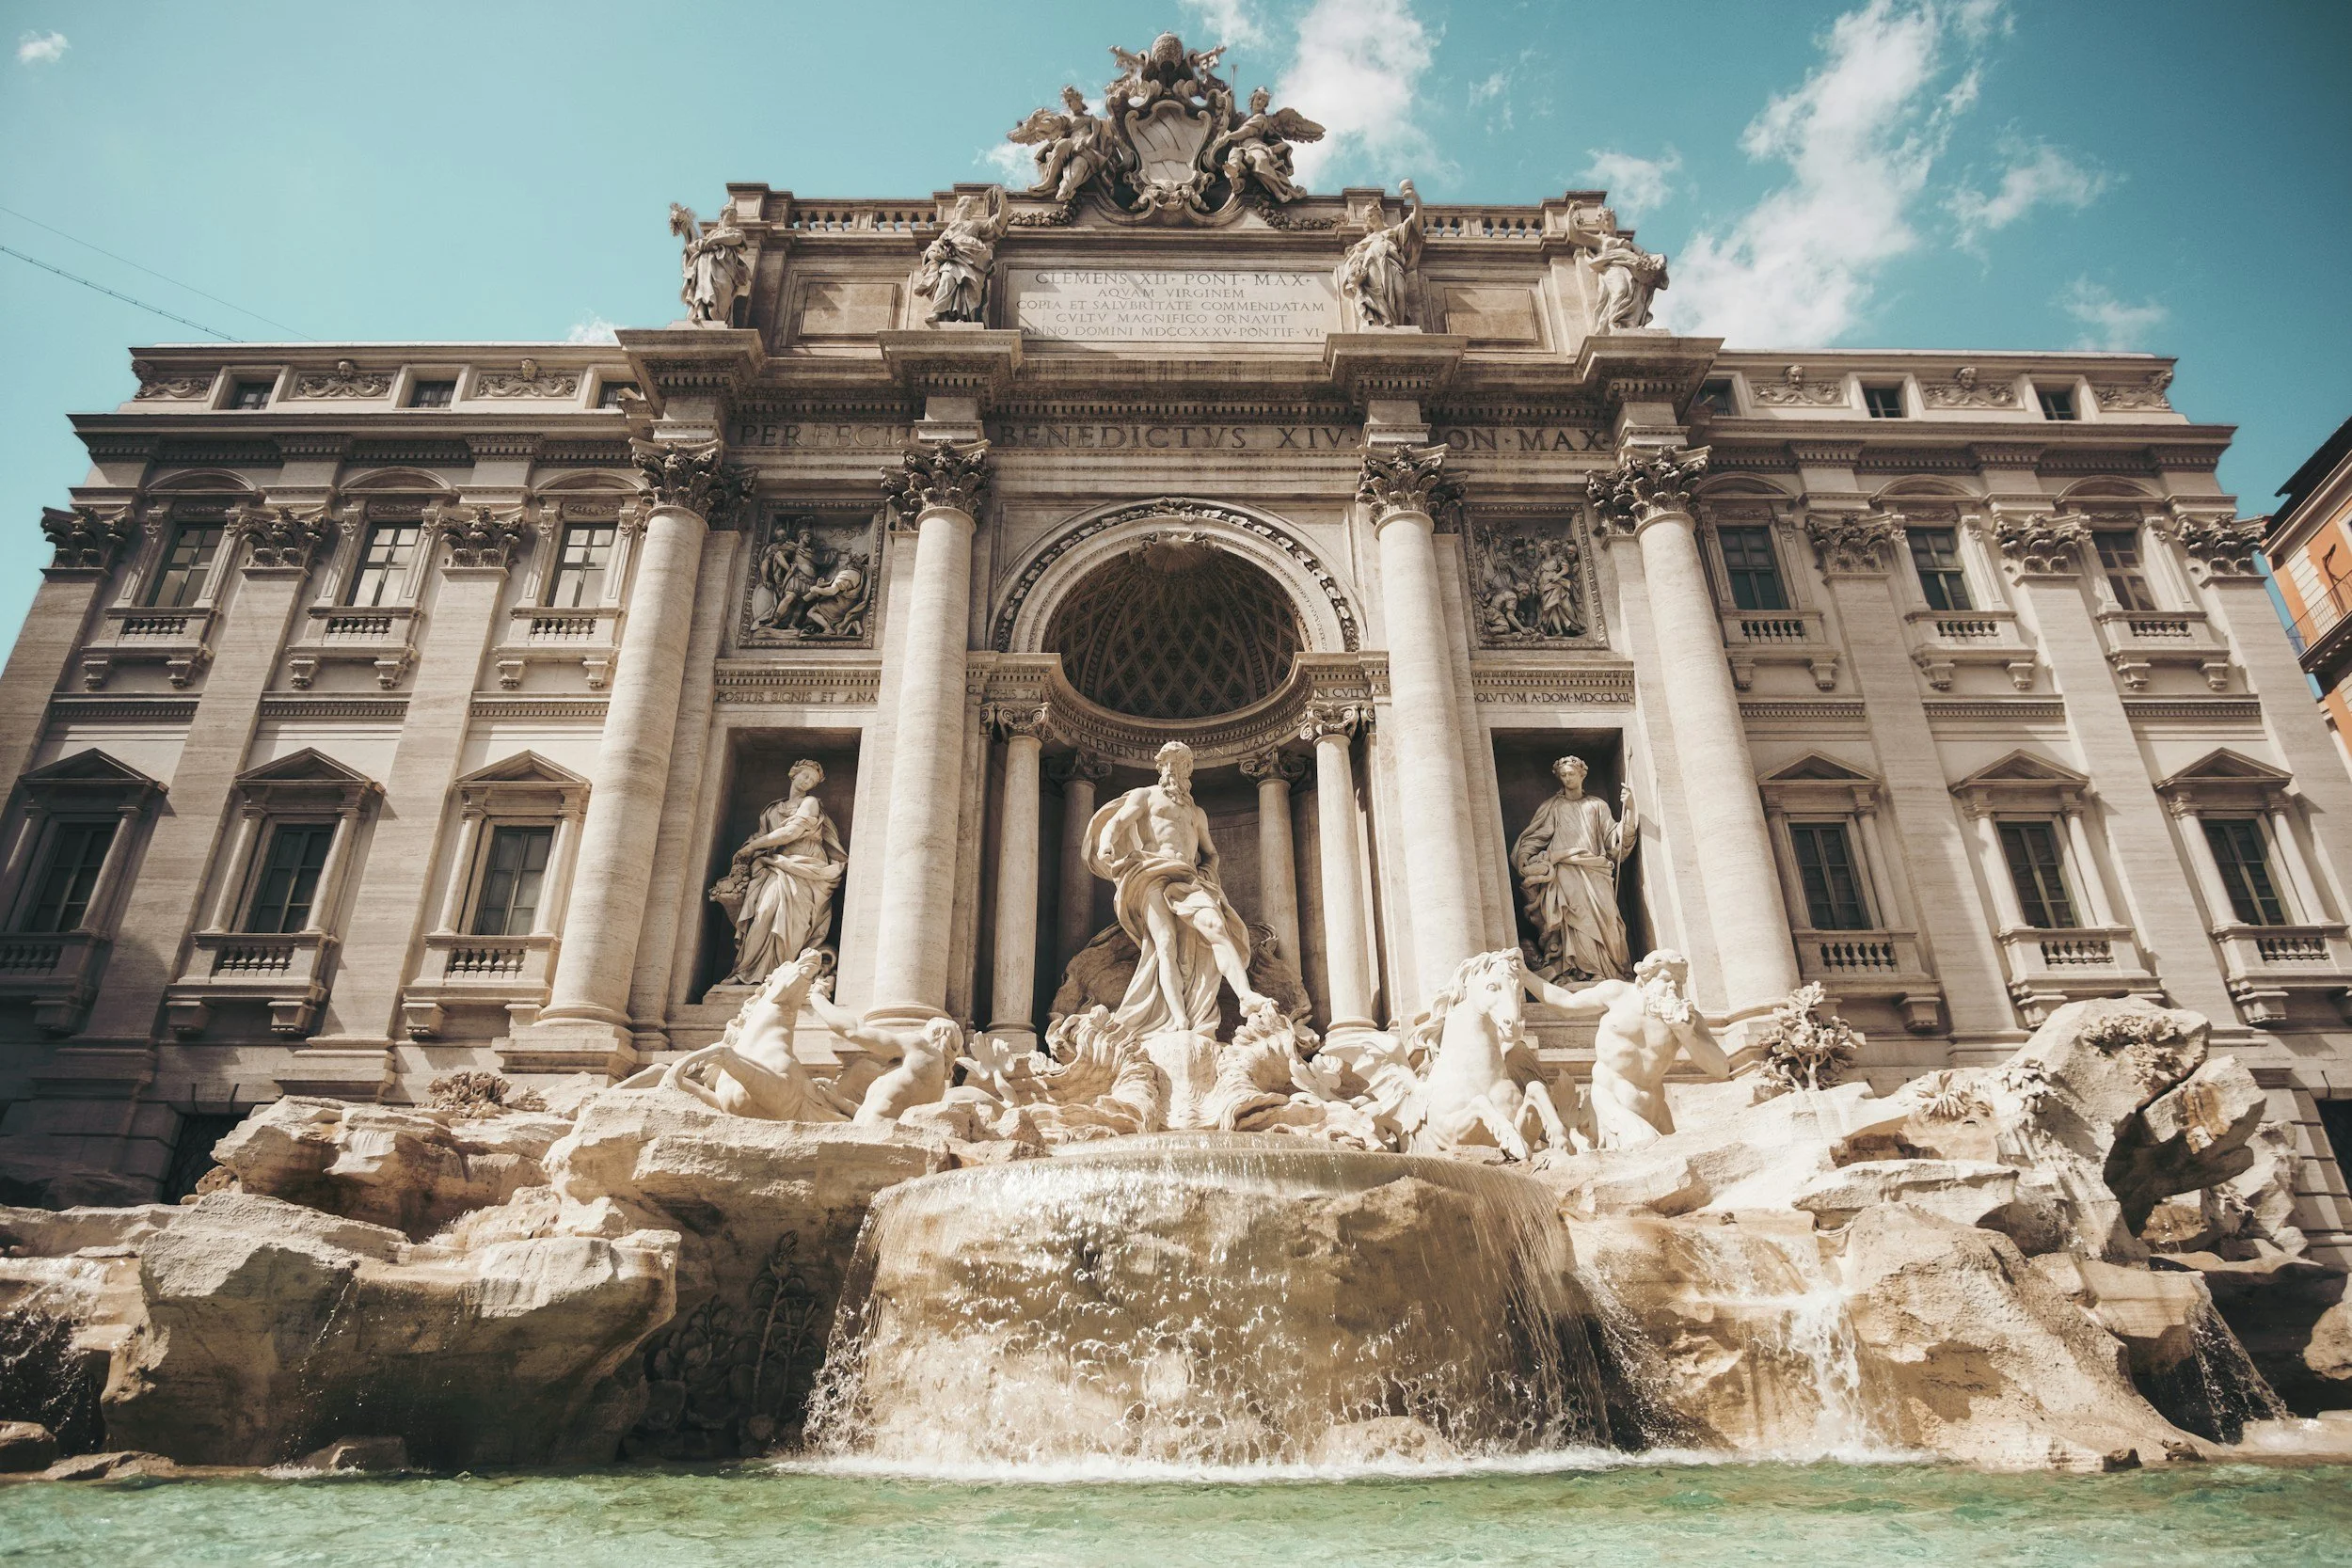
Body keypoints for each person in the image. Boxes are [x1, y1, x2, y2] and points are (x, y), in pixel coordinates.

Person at [1085, 740, 1269, 1036]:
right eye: (1168, 762)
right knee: (1165, 944)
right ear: (1160, 767)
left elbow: (1211, 853)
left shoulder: (1196, 814)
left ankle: (1245, 997)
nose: (1173, 768)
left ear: (1188, 770)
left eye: (1180, 763)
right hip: (1151, 874)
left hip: (1188, 879)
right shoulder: (1146, 797)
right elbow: (1118, 821)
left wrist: (1207, 875)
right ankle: (1178, 1018)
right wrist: (1106, 842)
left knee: (1216, 927)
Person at [1531, 950, 1728, 1148]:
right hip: (1610, 1104)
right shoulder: (1617, 993)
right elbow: (1565, 1004)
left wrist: (1686, 1036)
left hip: (1656, 1110)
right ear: (1644, 981)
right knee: (1652, 1150)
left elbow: (1721, 1069)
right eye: (1666, 979)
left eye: (1679, 982)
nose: (1673, 987)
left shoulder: (1690, 1020)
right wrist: (1523, 975)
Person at [716, 759, 846, 984]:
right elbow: (761, 835)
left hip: (806, 868)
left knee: (794, 922)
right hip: (775, 864)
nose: (807, 782)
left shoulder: (810, 803)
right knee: (764, 911)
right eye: (804, 776)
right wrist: (749, 849)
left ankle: (783, 977)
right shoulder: (772, 810)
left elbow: (791, 832)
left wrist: (754, 847)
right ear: (793, 773)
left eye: (812, 781)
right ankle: (747, 972)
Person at [1512, 756, 1636, 982]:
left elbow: (1614, 842)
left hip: (1595, 869)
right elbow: (1536, 836)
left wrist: (1630, 809)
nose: (1567, 778)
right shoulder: (1552, 807)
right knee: (1574, 917)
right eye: (1564, 775)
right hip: (1565, 870)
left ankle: (1610, 970)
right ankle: (1579, 970)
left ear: (1582, 774)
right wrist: (1524, 857)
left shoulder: (1597, 805)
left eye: (1571, 773)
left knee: (1608, 921)